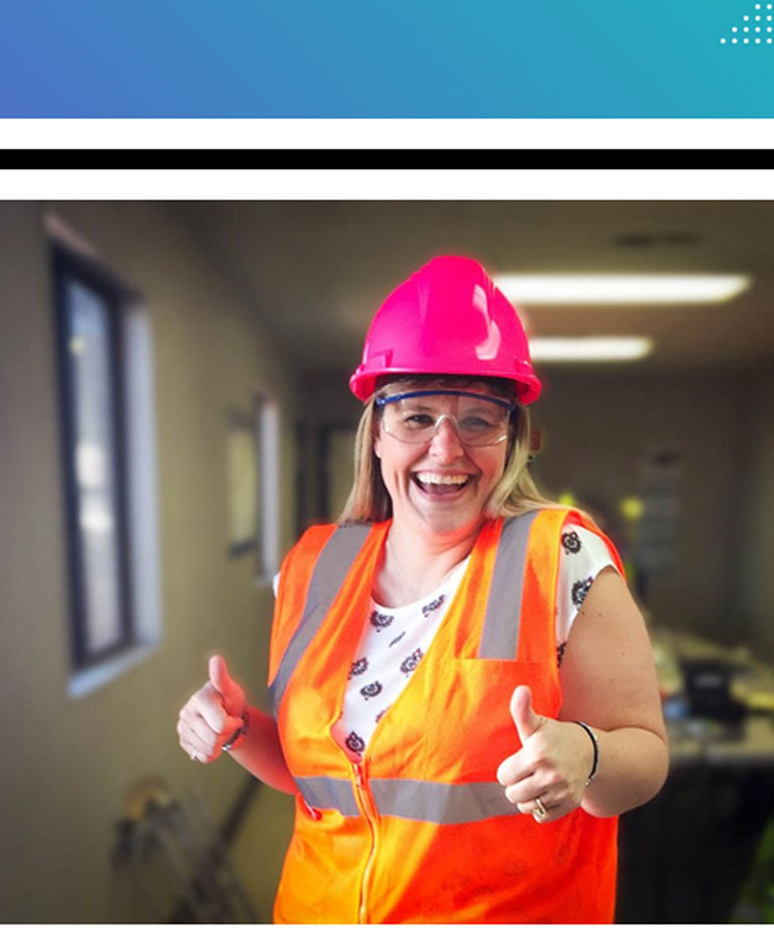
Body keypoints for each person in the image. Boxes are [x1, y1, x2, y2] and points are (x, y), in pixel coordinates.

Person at [175, 255, 668, 923]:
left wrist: (588, 753)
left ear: (512, 438)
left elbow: (645, 758)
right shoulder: (314, 567)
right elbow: (326, 783)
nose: (445, 449)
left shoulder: (562, 559)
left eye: (476, 419)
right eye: (416, 416)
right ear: (377, 431)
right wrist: (237, 729)